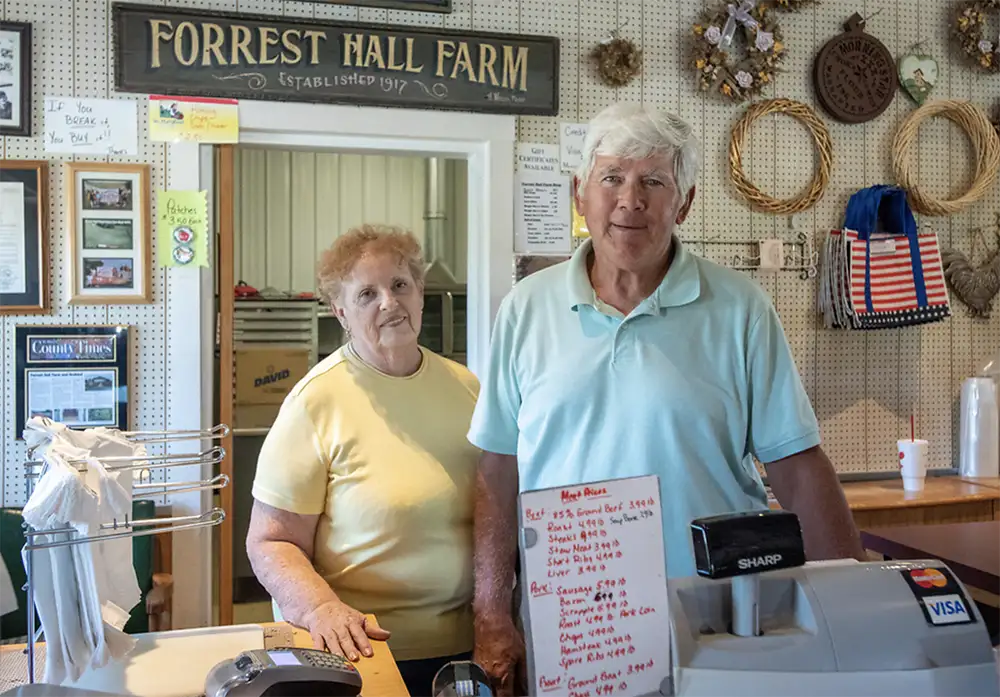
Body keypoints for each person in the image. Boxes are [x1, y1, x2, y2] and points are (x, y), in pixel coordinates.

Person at [467, 103, 866, 696]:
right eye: (612, 178)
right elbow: (498, 469)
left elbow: (799, 466)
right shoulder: (525, 309)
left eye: (654, 181)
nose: (631, 200)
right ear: (580, 194)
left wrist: (852, 607)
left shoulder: (740, 308)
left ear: (685, 203)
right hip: (576, 626)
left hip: (721, 623)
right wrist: (491, 611)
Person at [247, 224, 482, 697]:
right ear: (341, 313)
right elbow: (271, 541)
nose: (389, 303)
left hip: (463, 650)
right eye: (367, 294)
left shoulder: (468, 389)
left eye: (400, 285)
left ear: (420, 293)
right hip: (357, 651)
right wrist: (320, 610)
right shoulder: (316, 401)